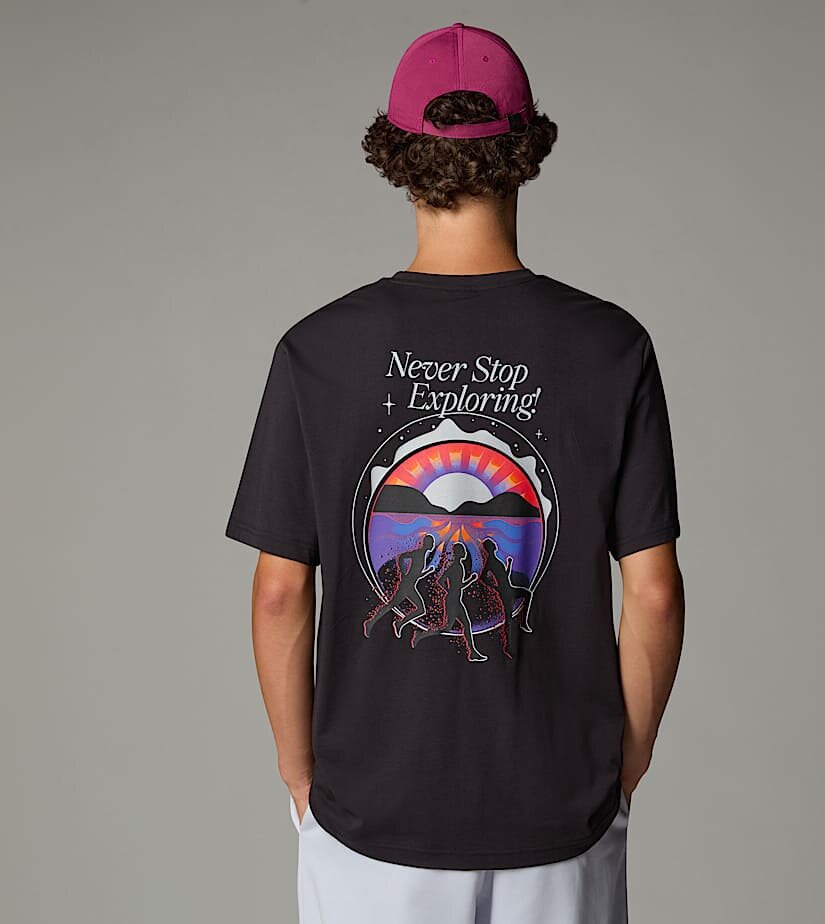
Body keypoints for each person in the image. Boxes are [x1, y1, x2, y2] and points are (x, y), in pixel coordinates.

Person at [226, 22, 684, 924]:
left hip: (370, 818)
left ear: (397, 156)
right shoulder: (611, 348)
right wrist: (621, 768)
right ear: (526, 151)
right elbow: (656, 594)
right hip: (561, 811)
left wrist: (300, 777)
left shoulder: (317, 352)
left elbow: (279, 593)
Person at [411, 541, 486, 661]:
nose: (465, 553)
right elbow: (441, 581)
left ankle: (473, 652)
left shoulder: (459, 566)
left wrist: (465, 583)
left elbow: (457, 585)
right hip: (452, 600)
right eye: (462, 551)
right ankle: (421, 635)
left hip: (456, 599)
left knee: (466, 625)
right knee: (447, 627)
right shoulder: (455, 567)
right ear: (458, 553)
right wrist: (451, 590)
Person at [363, 532, 436, 638]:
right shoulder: (418, 553)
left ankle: (398, 623)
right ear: (426, 543)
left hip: (410, 586)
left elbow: (416, 575)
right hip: (406, 585)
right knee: (393, 605)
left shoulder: (422, 556)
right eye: (431, 542)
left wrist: (428, 571)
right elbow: (402, 557)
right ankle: (372, 622)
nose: (433, 544)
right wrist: (402, 572)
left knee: (419, 609)